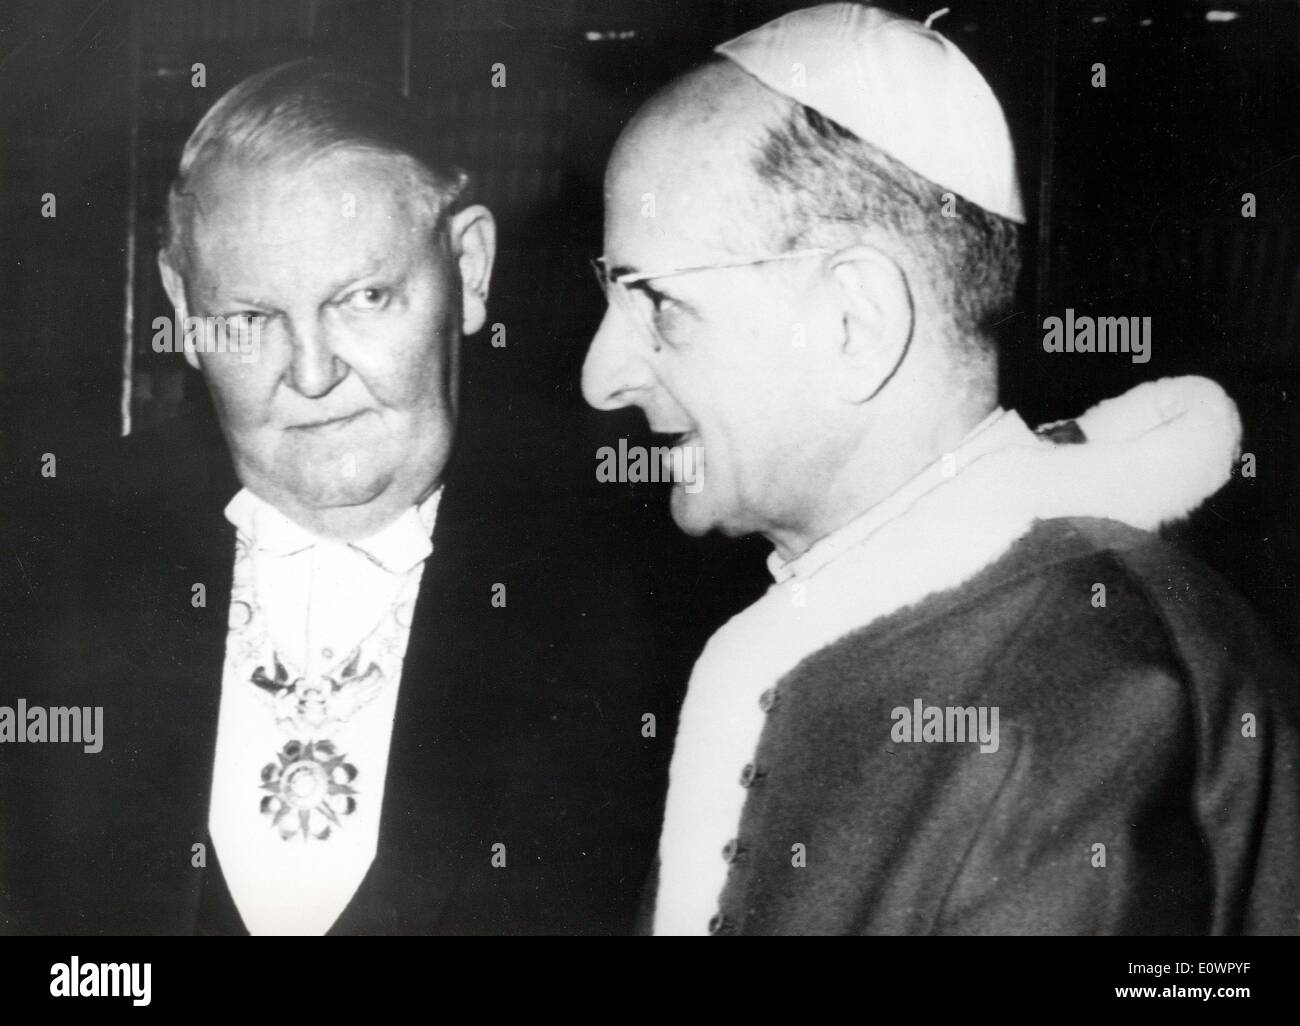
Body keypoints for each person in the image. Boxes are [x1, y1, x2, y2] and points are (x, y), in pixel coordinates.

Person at [582, 3, 1299, 935]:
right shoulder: (964, 613)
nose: (602, 377)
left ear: (854, 322)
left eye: (657, 305)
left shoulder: (1079, 700)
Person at [2, 60, 692, 935]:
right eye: (250, 320)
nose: (315, 374)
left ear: (469, 269)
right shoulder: (37, 571)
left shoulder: (654, 592)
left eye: (366, 298)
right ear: (180, 303)